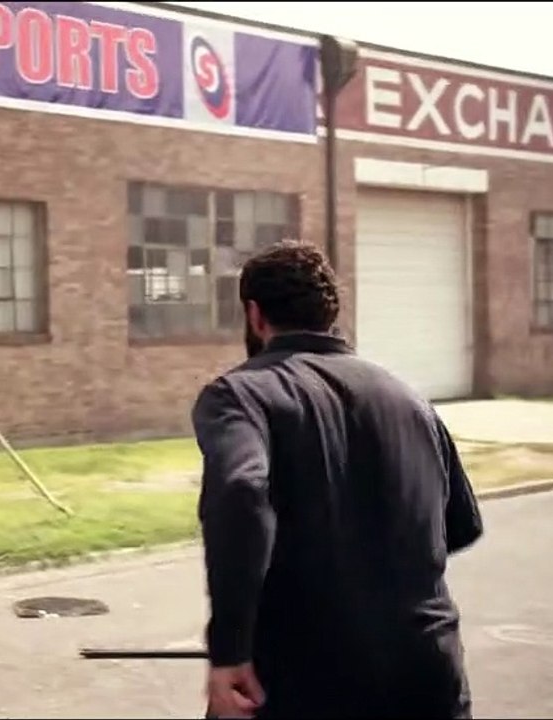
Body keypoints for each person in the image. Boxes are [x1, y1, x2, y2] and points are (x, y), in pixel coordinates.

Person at [192, 242, 483, 719]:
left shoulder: (240, 395)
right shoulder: (409, 398)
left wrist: (229, 650)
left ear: (255, 314)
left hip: (304, 679)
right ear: (330, 313)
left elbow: (242, 491)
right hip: (428, 673)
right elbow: (459, 527)